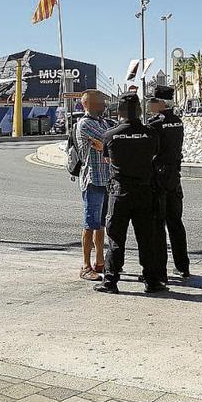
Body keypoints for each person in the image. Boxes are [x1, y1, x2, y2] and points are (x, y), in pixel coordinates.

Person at [94, 92, 164, 294]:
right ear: (140, 110)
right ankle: (152, 281)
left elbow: (107, 160)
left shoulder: (110, 135)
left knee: (116, 239)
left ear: (119, 112)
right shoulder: (151, 134)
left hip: (120, 192)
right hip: (144, 191)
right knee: (146, 238)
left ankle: (110, 281)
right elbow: (154, 155)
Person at [147, 86, 191, 282]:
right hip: (175, 177)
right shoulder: (178, 122)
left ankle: (160, 271)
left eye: (153, 101)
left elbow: (151, 152)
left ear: (162, 103)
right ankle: (183, 267)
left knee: (158, 225)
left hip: (158, 179)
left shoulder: (155, 125)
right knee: (176, 223)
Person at [76, 90, 111, 281]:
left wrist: (103, 144)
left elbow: (105, 142)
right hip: (93, 180)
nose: (103, 105)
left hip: (106, 179)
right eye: (99, 102)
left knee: (101, 224)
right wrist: (103, 143)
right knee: (90, 224)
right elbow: (109, 139)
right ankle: (85, 266)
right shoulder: (86, 123)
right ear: (87, 104)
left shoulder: (102, 122)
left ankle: (100, 262)